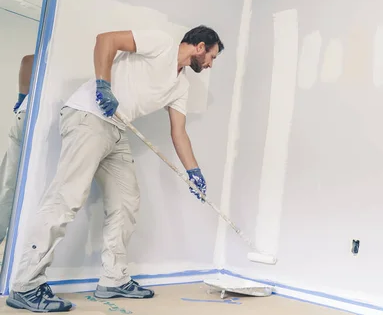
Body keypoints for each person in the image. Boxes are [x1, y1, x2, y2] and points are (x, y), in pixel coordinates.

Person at [6, 26, 224, 312]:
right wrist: (103, 84)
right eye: (212, 56)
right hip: (89, 117)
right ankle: (26, 284)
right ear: (200, 46)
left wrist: (194, 173)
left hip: (117, 129)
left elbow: (179, 132)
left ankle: (113, 278)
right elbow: (105, 40)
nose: (210, 64)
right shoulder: (161, 43)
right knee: (66, 198)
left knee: (126, 201)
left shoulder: (181, 86)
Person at [0, 54, 34, 246]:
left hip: (25, 113)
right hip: (39, 117)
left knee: (9, 182)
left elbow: (28, 60)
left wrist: (22, 95)